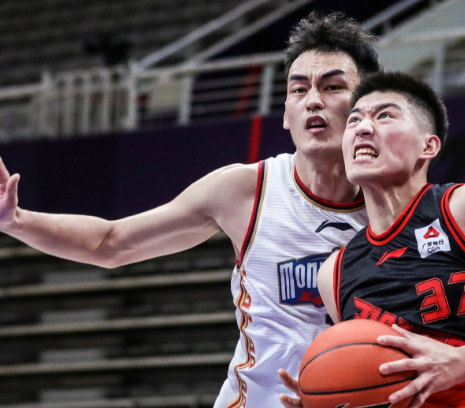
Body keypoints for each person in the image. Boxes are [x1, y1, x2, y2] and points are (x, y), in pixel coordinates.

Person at [0, 12, 380, 408]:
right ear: (285, 113)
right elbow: (110, 243)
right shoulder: (245, 191)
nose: (313, 100)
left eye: (332, 86)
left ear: (366, 105)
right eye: (298, 89)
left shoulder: (400, 206)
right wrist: (16, 220)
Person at [283, 71, 465, 408]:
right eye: (354, 120)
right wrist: (327, 397)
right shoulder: (335, 273)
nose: (363, 128)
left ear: (428, 146)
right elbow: (379, 383)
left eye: (384, 116)